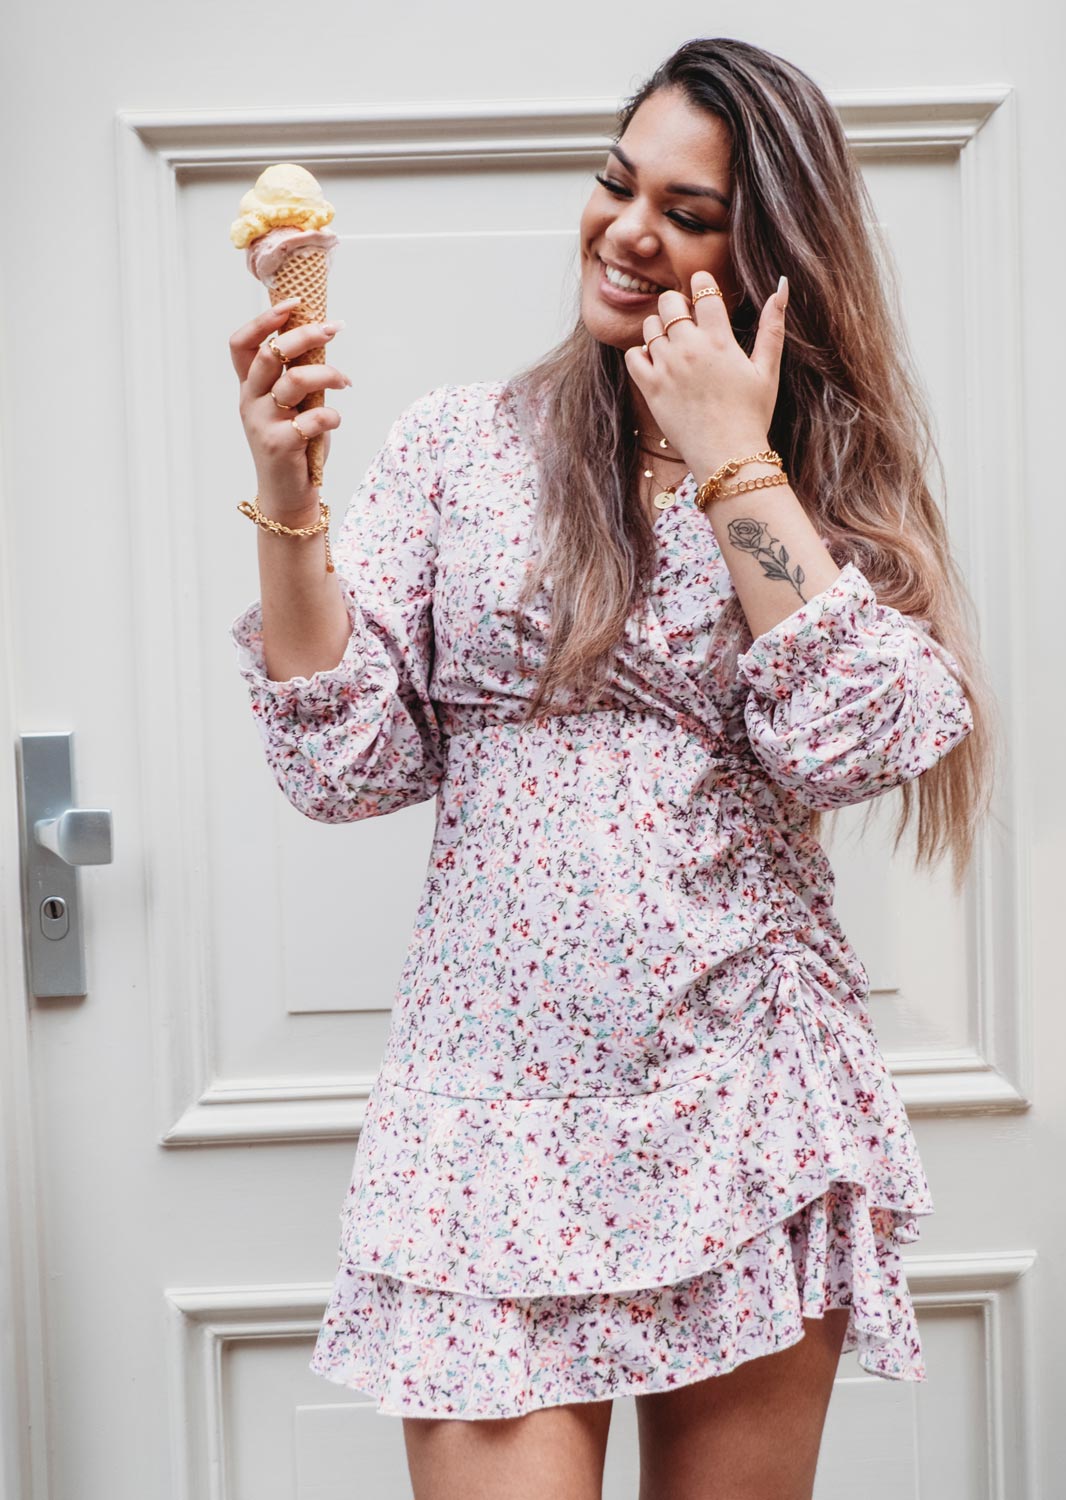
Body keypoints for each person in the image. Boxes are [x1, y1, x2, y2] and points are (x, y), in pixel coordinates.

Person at [226, 35, 995, 1500]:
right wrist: (286, 499)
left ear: (772, 256)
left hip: (743, 1105)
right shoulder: (463, 448)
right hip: (489, 1124)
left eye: (690, 213)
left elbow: (865, 737)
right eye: (614, 183)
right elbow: (343, 766)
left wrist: (731, 456)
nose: (628, 231)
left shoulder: (815, 483)